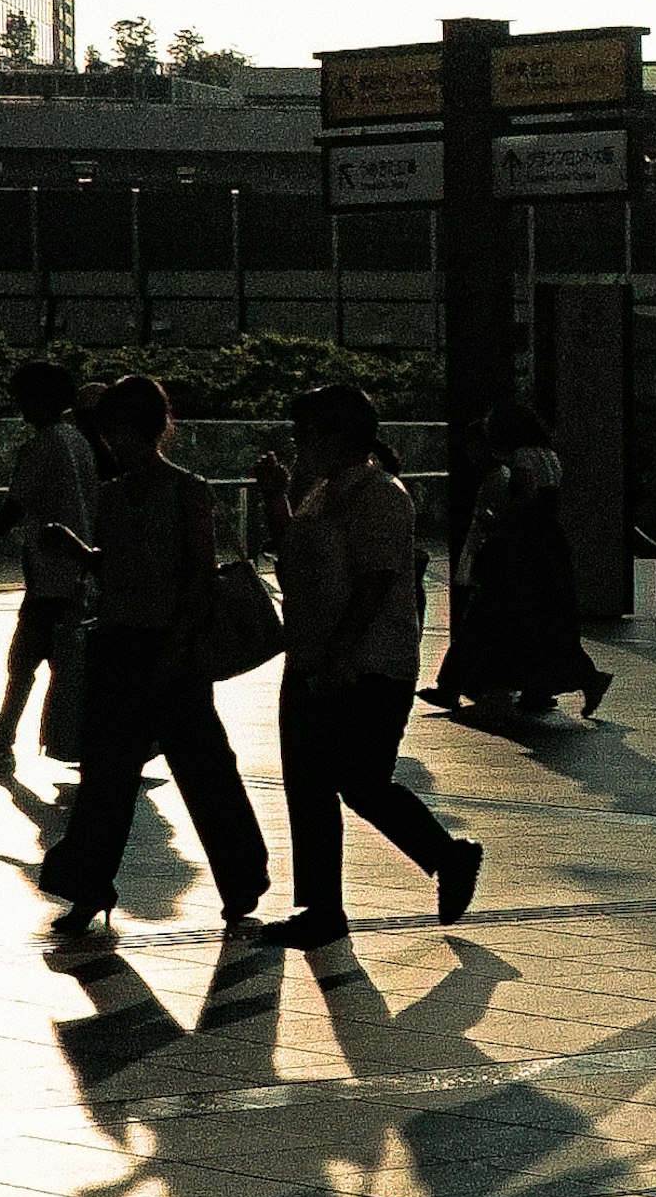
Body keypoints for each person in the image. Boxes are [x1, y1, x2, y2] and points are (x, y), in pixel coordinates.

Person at [31, 374, 270, 961]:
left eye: (117, 430)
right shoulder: (114, 495)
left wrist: (178, 648)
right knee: (112, 775)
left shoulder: (189, 491)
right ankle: (91, 886)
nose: (112, 442)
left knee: (200, 768)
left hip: (171, 647)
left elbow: (197, 577)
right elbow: (120, 568)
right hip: (122, 644)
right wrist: (82, 555)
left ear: (144, 428)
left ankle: (239, 884)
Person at [252, 384, 481, 944]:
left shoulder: (379, 496)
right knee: (307, 784)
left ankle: (448, 856)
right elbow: (298, 554)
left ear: (336, 436)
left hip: (369, 664)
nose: (298, 445)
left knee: (360, 780)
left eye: (305, 434)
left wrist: (339, 656)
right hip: (311, 655)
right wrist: (275, 496)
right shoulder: (323, 493)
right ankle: (321, 908)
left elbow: (376, 581)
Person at [0, 352, 96, 782]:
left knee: (22, 662)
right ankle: (15, 740)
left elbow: (14, 509)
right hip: (75, 575)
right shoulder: (79, 442)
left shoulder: (40, 447)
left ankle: (1, 745)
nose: (18, 407)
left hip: (49, 576)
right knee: (65, 665)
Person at [435, 413, 608, 720]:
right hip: (547, 542)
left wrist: (498, 522)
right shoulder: (549, 456)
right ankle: (570, 678)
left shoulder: (521, 457)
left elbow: (524, 496)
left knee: (489, 612)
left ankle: (453, 684)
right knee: (542, 616)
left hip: (521, 545)